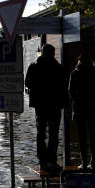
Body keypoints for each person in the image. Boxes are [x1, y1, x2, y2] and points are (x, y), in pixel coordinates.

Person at [24, 44, 68, 173]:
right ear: (53, 53)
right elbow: (63, 86)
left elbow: (27, 83)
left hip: (40, 104)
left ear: (42, 52)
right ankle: (52, 159)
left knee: (41, 132)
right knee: (54, 133)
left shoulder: (34, 66)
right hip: (54, 104)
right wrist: (64, 103)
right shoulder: (58, 67)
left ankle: (42, 160)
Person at [68, 51, 95, 169]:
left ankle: (83, 162)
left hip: (79, 108)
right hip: (93, 108)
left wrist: (79, 98)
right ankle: (93, 163)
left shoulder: (75, 73)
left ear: (80, 61)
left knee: (82, 136)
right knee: (93, 136)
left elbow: (70, 92)